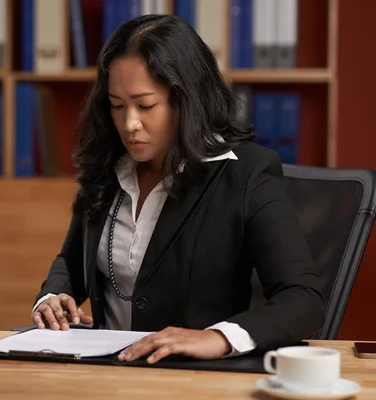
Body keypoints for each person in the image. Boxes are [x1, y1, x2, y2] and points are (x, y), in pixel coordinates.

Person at [30, 14, 325, 364]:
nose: (129, 124)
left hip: (192, 378)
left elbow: (303, 300)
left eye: (146, 105)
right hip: (104, 373)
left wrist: (218, 337)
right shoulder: (107, 167)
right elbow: (72, 260)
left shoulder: (246, 173)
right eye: (117, 105)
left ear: (186, 99)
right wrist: (53, 297)